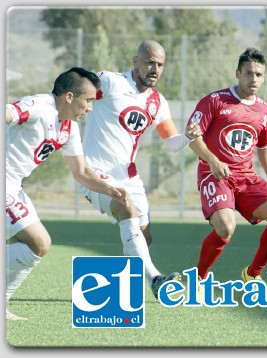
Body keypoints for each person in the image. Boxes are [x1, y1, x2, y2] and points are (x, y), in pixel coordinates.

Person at [80, 40, 202, 299]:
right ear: (135, 62)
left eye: (160, 64)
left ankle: (122, 290)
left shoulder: (158, 102)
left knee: (144, 238)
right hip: (94, 171)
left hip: (129, 176)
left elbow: (171, 143)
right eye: (149, 62)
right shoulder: (110, 82)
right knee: (125, 207)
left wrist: (188, 137)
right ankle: (156, 279)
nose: (155, 68)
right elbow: (76, 89)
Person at [5, 67, 128, 320]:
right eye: (89, 100)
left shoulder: (68, 128)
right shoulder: (40, 106)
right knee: (39, 242)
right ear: (70, 96)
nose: (91, 108)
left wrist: (110, 189)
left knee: (25, 244)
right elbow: (7, 112)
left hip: (14, 186)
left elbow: (81, 171)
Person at [186, 47, 267, 302]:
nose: (253, 79)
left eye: (259, 74)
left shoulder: (264, 111)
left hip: (246, 177)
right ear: (237, 73)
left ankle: (252, 275)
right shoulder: (215, 101)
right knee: (225, 226)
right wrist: (212, 160)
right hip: (216, 175)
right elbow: (192, 136)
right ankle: (198, 278)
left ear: (264, 77)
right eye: (248, 73)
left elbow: (264, 145)